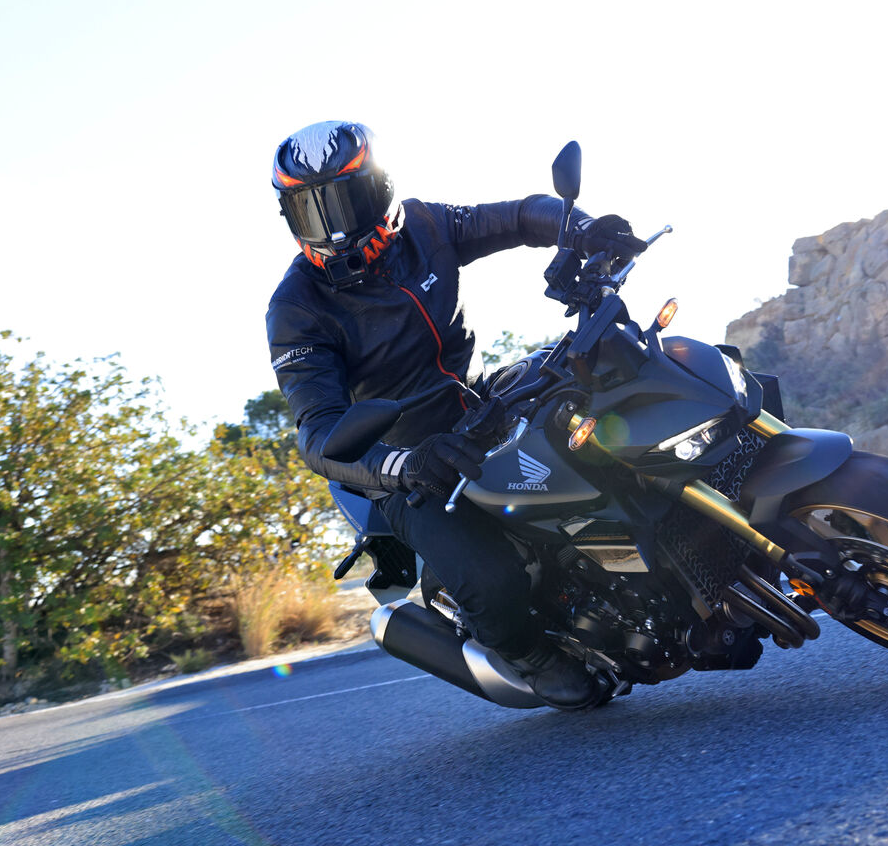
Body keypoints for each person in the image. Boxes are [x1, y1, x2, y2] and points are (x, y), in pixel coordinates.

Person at [263, 120, 644, 709]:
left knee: (610, 378)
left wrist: (583, 228)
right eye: (309, 209)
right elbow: (317, 434)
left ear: (378, 186)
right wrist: (406, 464)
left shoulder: (424, 226)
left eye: (342, 200)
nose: (331, 226)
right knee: (491, 580)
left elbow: (519, 216)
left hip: (484, 402)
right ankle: (531, 655)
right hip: (408, 462)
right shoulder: (296, 308)